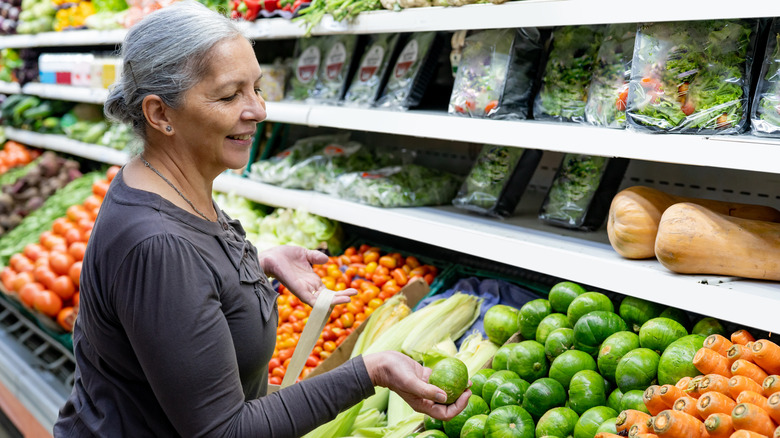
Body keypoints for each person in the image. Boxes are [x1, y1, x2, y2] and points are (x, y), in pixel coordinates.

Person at [52, 2, 469, 436]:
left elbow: (187, 279)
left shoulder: (167, 184)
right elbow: (224, 431)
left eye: (257, 88)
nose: (258, 110)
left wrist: (256, 264)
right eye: (230, 95)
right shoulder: (159, 246)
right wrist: (370, 372)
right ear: (160, 115)